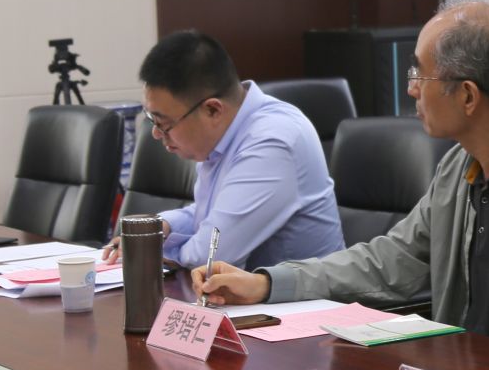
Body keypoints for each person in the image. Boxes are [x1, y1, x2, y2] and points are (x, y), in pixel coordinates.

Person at [191, 0, 489, 362]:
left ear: (467, 96)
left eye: (419, 74)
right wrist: (268, 284)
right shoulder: (459, 167)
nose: (411, 88)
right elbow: (388, 261)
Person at [103, 31, 341, 272]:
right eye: (151, 119)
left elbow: (209, 257)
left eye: (164, 123)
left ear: (213, 110)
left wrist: (147, 250)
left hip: (306, 295)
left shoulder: (272, 142)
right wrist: (161, 227)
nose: (156, 133)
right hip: (250, 291)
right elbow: (213, 215)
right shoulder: (225, 131)